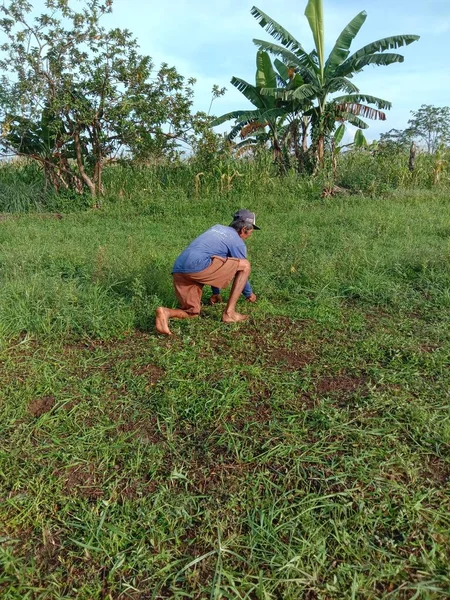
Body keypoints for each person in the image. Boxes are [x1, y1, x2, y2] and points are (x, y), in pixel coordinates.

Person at [155, 209, 259, 335]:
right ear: (244, 230)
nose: (249, 236)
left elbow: (216, 261)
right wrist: (249, 294)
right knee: (245, 265)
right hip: (198, 267)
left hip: (180, 268)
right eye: (251, 232)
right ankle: (229, 313)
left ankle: (165, 312)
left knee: (192, 313)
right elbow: (239, 270)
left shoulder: (216, 228)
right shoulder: (237, 242)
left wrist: (216, 292)